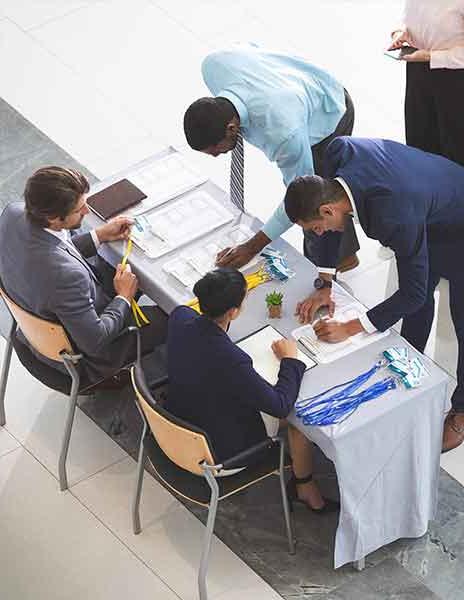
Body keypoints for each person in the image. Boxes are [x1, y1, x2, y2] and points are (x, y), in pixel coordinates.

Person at [284, 137, 464, 453]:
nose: (319, 234)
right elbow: (415, 296)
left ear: (328, 209)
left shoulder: (392, 214)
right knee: (418, 304)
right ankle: (408, 368)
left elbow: (411, 292)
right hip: (425, 207)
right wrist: (326, 282)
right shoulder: (337, 155)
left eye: (317, 227)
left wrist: (350, 327)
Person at [166, 268, 338, 513]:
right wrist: (291, 361)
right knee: (299, 421)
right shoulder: (232, 360)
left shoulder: (179, 317)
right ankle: (305, 487)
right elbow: (280, 405)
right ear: (233, 312)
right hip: (221, 453)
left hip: (178, 422)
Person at [183, 43, 359, 277]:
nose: (216, 156)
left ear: (232, 127)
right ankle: (340, 254)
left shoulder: (283, 133)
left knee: (313, 204)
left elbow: (300, 195)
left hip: (328, 114)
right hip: (294, 84)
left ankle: (336, 262)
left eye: (215, 149)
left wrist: (252, 247)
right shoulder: (213, 66)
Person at [0, 166, 167, 384]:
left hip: (36, 326)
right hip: (87, 358)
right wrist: (123, 297)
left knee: (124, 266)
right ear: (53, 218)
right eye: (79, 210)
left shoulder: (14, 214)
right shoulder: (65, 276)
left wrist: (99, 235)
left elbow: (53, 250)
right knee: (176, 317)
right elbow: (96, 341)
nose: (87, 211)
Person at [388, 0, 464, 173]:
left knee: (459, 157)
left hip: (459, 81)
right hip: (418, 68)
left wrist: (433, 57)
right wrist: (401, 31)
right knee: (419, 146)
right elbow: (410, 14)